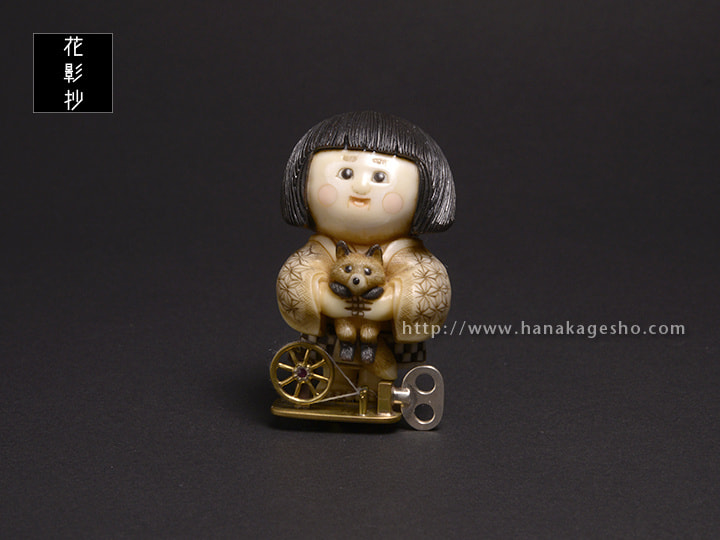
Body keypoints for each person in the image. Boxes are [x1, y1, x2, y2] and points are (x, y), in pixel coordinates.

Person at [277, 111, 455, 390]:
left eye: (380, 176)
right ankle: (333, 390)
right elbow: (295, 279)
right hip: (333, 334)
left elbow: (429, 287)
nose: (360, 187)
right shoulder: (319, 252)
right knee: (331, 367)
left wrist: (390, 305)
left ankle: (378, 392)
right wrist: (325, 302)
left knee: (381, 376)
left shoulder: (409, 257)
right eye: (345, 173)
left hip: (382, 334)